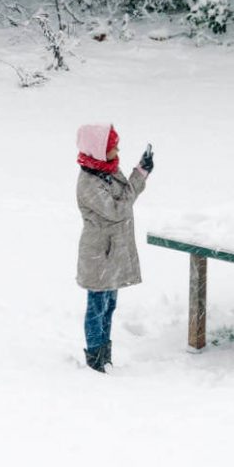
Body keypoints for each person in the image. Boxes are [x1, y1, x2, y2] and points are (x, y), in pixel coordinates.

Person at [76, 122, 154, 372]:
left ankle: (105, 357)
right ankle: (96, 360)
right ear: (98, 149)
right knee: (97, 307)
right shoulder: (89, 184)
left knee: (109, 305)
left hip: (112, 253)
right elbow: (119, 209)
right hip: (100, 255)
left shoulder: (108, 171)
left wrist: (140, 173)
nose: (117, 148)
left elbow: (125, 196)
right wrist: (135, 182)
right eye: (112, 145)